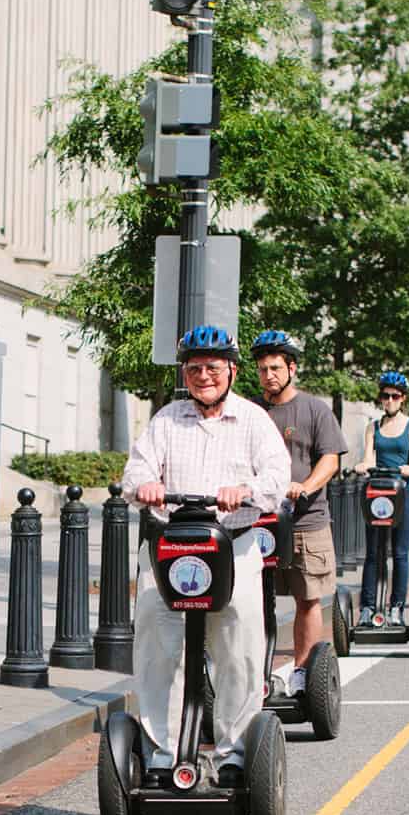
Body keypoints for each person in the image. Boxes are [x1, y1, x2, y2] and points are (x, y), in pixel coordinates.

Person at [121, 327, 289, 783]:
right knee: (160, 648)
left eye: (213, 368)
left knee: (240, 650)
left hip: (233, 548)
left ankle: (234, 754)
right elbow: (134, 471)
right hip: (171, 549)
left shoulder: (254, 421)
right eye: (194, 369)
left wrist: (247, 490)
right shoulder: (166, 420)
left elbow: (277, 477)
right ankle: (162, 754)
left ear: (232, 371)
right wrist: (145, 484)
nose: (203, 376)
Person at [249, 329, 344, 689]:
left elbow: (330, 461)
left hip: (306, 521)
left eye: (274, 368)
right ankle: (257, 675)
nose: (268, 375)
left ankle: (303, 673)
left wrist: (304, 487)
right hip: (257, 522)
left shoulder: (314, 409)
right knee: (255, 601)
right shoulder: (250, 411)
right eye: (262, 369)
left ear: (292, 368)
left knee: (307, 598)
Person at [355, 370, 409, 623]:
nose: (389, 400)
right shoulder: (373, 427)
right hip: (378, 491)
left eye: (395, 396)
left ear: (403, 398)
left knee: (400, 552)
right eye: (385, 396)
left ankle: (396, 608)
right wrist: (363, 465)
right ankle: (367, 608)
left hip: (404, 492)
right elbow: (368, 457)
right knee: (373, 551)